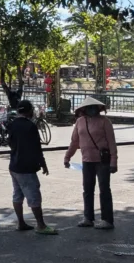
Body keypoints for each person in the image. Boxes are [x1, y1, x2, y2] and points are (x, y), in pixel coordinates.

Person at [64, 97, 117, 229]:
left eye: (94, 107)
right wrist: (67, 157)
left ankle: (107, 220)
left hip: (102, 161)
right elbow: (74, 142)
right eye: (89, 108)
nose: (92, 110)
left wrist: (113, 161)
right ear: (84, 109)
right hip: (86, 160)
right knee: (87, 190)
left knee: (104, 189)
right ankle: (88, 218)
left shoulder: (105, 122)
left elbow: (111, 142)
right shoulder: (80, 122)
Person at [7, 100, 56, 235]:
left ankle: (20, 222)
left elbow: (10, 142)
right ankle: (41, 225)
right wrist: (43, 164)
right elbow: (36, 148)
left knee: (17, 194)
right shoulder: (30, 126)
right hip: (26, 166)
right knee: (33, 195)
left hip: (14, 164)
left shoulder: (12, 124)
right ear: (29, 111)